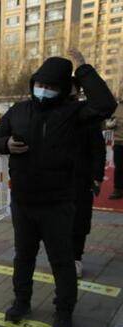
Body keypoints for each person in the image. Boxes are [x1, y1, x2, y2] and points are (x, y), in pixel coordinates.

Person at [0, 50, 116, 327]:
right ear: (34, 82)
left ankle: (64, 311)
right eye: (41, 83)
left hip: (58, 203)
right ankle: (21, 302)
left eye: (52, 86)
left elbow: (106, 104)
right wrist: (6, 144)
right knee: (23, 257)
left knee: (62, 260)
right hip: (23, 202)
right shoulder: (18, 111)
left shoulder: (74, 114)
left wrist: (84, 69)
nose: (44, 90)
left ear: (63, 89)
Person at [70, 79, 107, 278]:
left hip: (81, 179)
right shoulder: (49, 113)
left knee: (79, 220)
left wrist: (97, 177)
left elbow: (98, 149)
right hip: (55, 180)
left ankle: (76, 258)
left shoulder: (86, 115)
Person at [111, 100, 123, 200]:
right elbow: (109, 122)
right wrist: (110, 124)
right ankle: (118, 189)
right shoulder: (117, 106)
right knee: (119, 167)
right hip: (119, 142)